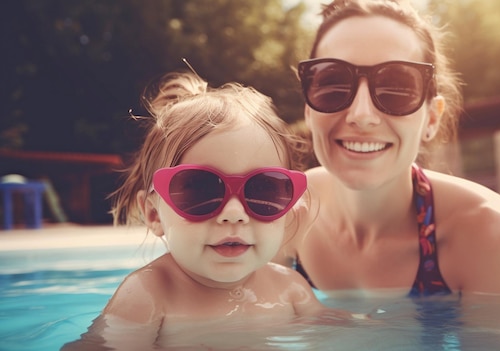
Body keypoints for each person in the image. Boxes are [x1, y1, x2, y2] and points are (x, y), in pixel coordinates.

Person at [63, 71, 352, 350]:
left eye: (263, 190)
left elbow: (348, 336)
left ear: (286, 210)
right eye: (201, 190)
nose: (234, 213)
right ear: (153, 215)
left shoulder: (290, 290)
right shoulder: (149, 295)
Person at [276, 0, 500, 299]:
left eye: (396, 87)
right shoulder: (285, 212)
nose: (361, 114)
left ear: (431, 118)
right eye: (333, 84)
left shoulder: (494, 236)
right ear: (309, 111)